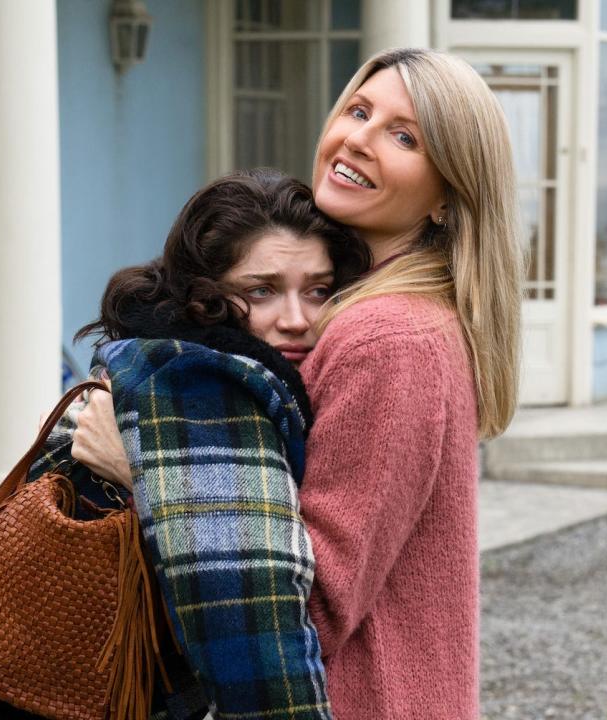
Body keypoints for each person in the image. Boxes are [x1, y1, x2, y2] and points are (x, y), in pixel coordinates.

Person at [75, 47, 523, 720]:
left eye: (404, 137)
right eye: (359, 110)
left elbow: (307, 600)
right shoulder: (356, 307)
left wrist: (144, 469)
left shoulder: (389, 336)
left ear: (446, 197)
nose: (360, 140)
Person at [0, 168, 371, 720]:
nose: (297, 320)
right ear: (204, 297)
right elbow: (246, 618)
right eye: (260, 290)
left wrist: (138, 473)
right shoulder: (210, 385)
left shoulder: (149, 360)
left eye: (318, 290)